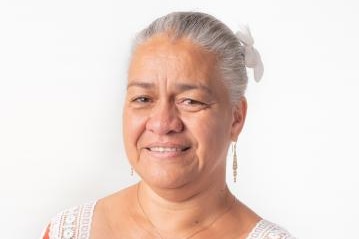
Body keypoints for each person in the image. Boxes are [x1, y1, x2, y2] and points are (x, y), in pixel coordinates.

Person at [41, 11, 295, 239]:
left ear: (236, 118)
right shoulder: (69, 231)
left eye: (191, 101)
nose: (163, 123)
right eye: (143, 99)